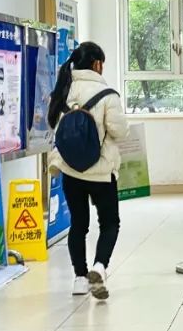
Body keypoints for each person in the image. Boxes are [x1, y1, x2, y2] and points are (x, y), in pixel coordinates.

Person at [47, 41, 129, 299]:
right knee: (109, 223)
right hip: (101, 172)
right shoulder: (108, 95)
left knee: (78, 224)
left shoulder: (64, 90)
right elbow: (120, 131)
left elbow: (55, 127)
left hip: (71, 171)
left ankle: (80, 279)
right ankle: (99, 267)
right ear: (97, 64)